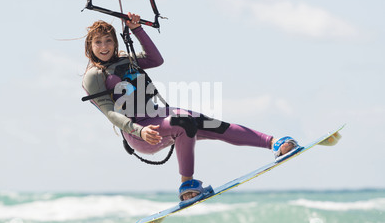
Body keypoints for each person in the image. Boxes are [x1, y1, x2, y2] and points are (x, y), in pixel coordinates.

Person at [82, 13, 300, 201]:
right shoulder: (94, 76)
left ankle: (273, 143)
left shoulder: (126, 59)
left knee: (211, 124)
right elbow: (110, 113)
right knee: (185, 122)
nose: (104, 46)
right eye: (98, 42)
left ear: (115, 43)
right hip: (140, 131)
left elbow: (155, 59)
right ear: (90, 46)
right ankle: (187, 185)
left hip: (159, 116)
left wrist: (137, 29)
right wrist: (139, 131)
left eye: (108, 41)